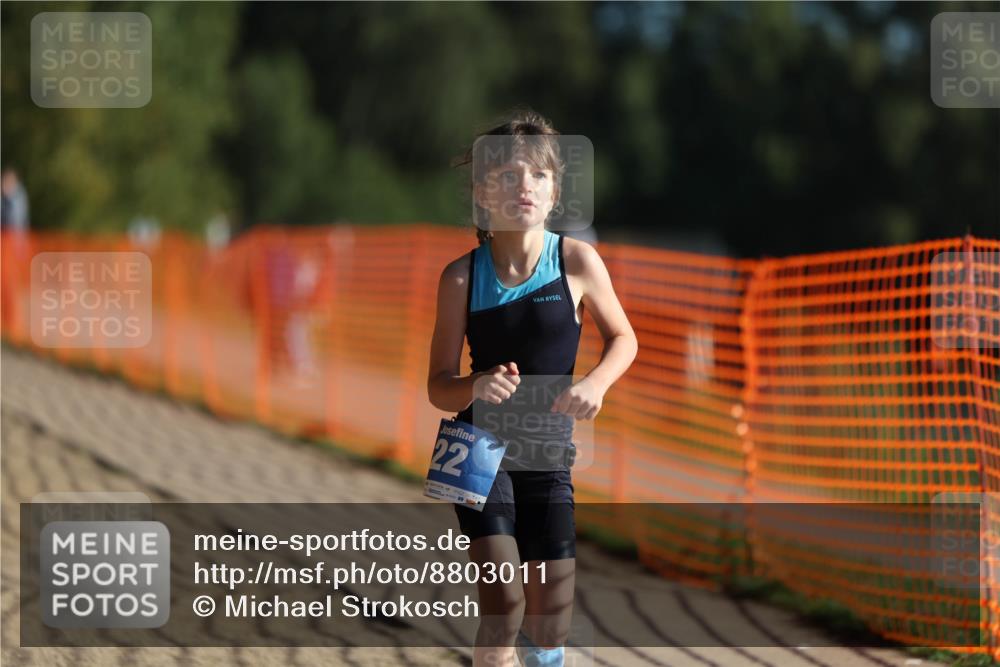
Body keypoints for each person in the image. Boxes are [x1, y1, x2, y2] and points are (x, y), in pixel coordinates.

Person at [427, 110, 637, 667]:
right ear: (482, 194)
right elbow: (438, 388)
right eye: (508, 175)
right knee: (505, 605)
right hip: (476, 452)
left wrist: (596, 382)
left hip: (547, 454)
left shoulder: (577, 261)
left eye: (539, 175)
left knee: (549, 624)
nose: (525, 186)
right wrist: (477, 384)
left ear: (553, 193)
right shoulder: (460, 277)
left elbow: (624, 338)